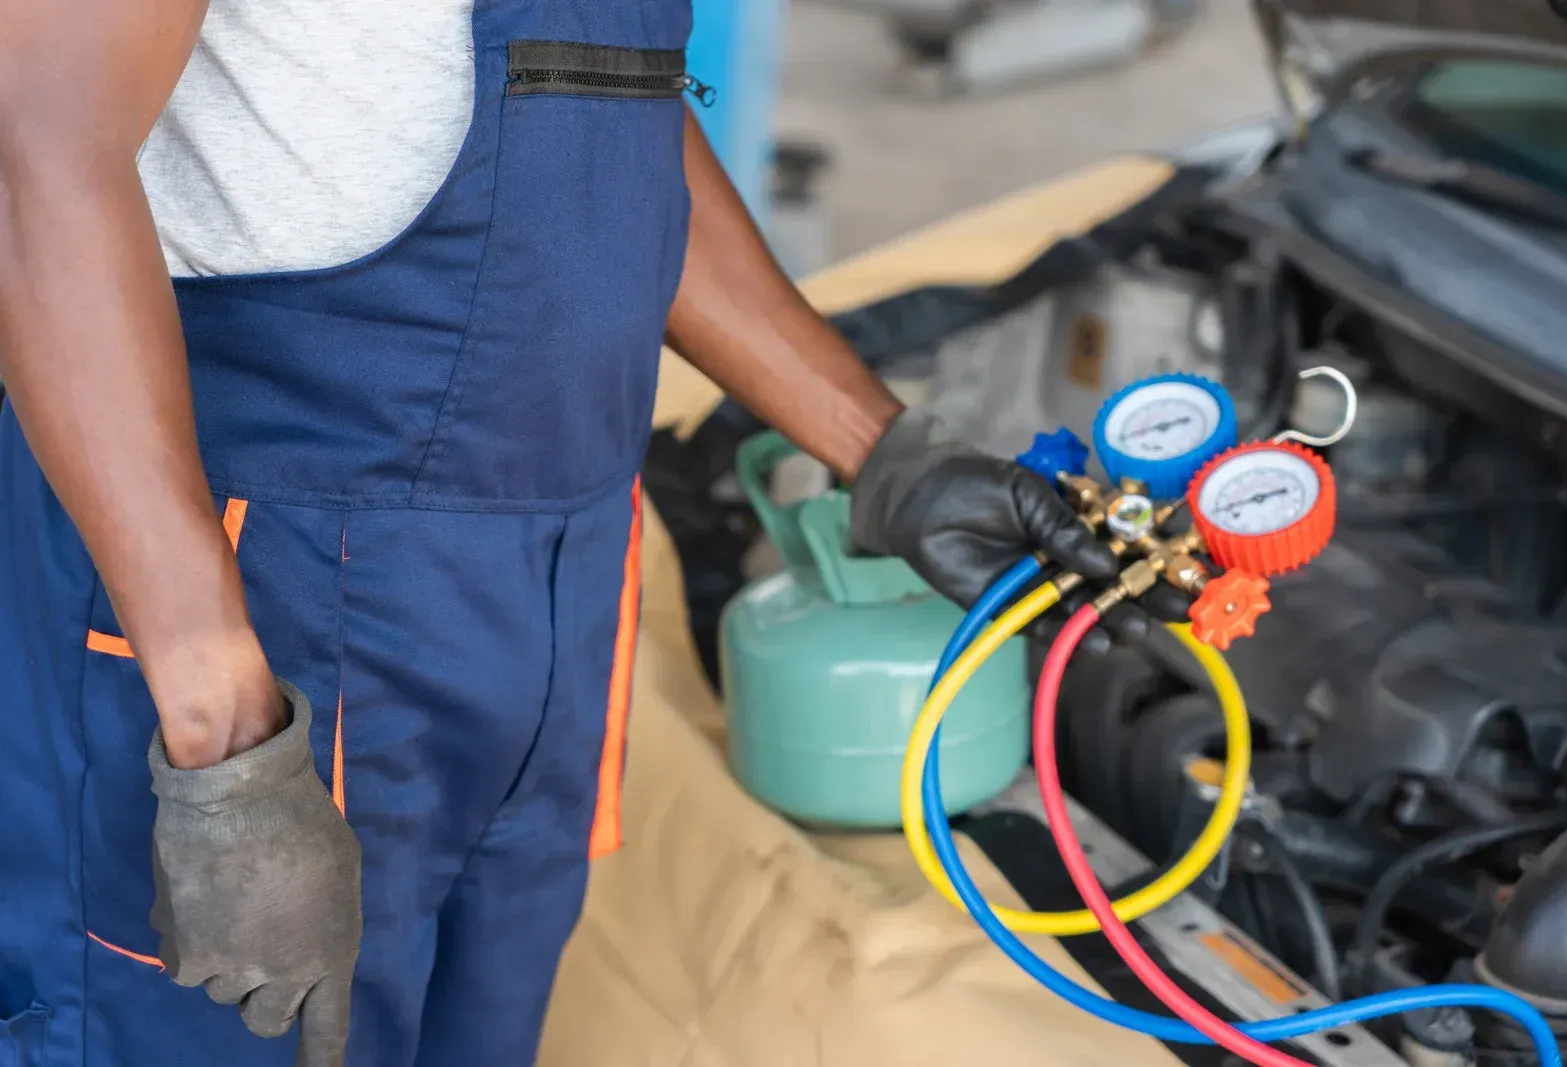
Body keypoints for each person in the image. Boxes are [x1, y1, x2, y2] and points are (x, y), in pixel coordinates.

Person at [0, 2, 1178, 1065]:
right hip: (256, 602)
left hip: (548, 590)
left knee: (481, 1027)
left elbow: (614, 129)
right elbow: (33, 152)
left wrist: (887, 458)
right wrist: (227, 745)